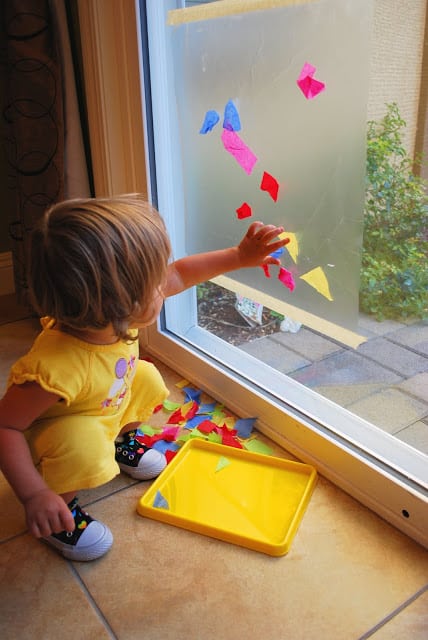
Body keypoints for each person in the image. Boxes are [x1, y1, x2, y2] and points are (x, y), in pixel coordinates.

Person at [0, 194, 288, 562]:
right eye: (154, 283)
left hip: (106, 401)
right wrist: (33, 495)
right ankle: (60, 509)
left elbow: (182, 272)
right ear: (117, 304)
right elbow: (6, 427)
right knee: (82, 441)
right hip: (65, 431)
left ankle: (121, 442)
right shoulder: (53, 369)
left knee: (147, 377)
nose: (164, 283)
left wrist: (239, 256)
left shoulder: (111, 315)